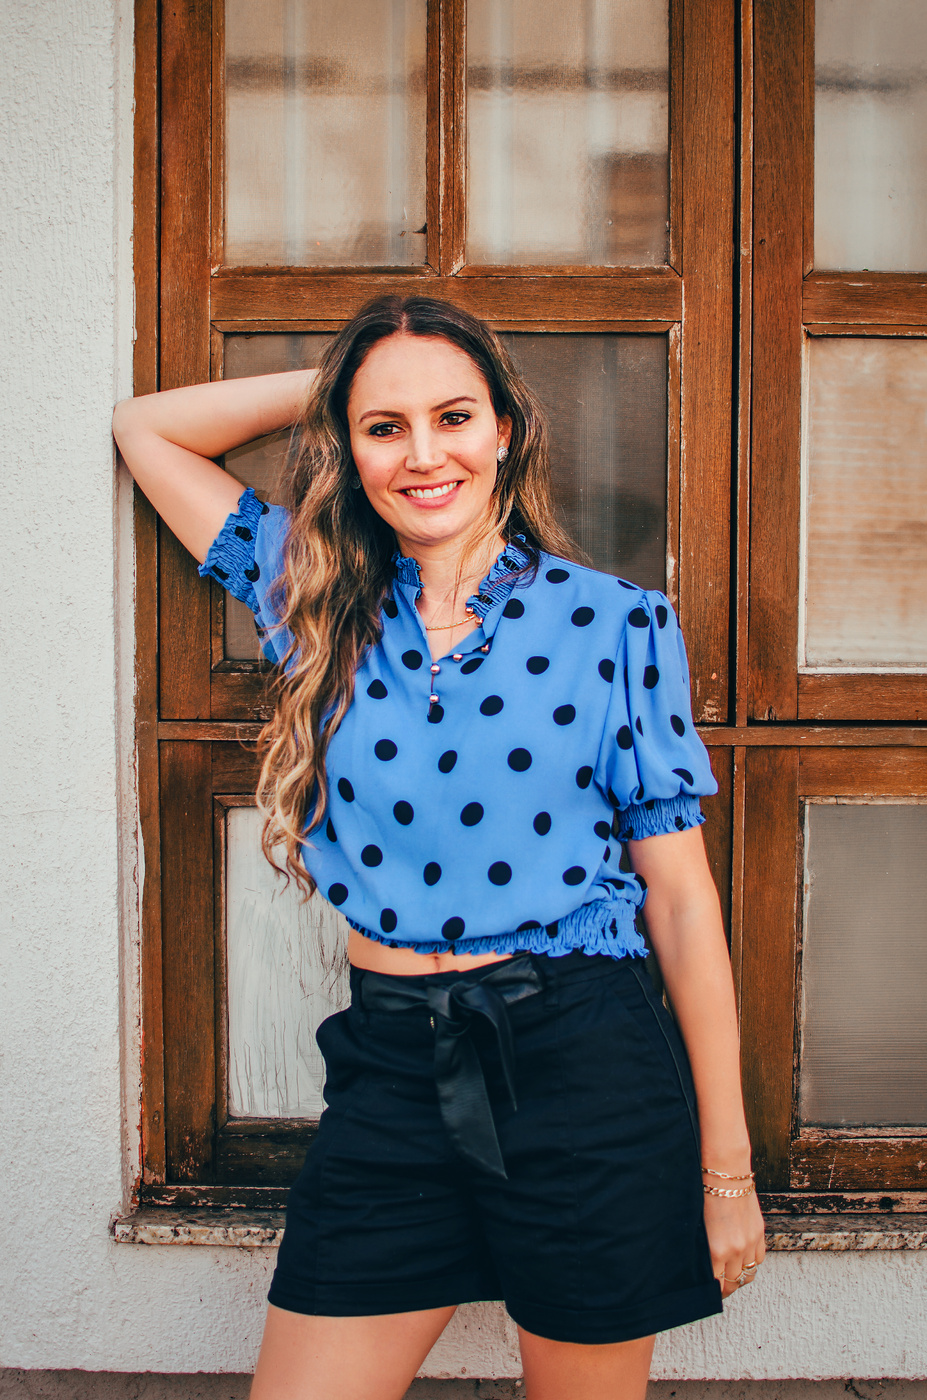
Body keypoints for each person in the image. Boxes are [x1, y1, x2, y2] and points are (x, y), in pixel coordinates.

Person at [113, 295, 765, 1400]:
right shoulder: (310, 592)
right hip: (390, 1069)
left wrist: (727, 1170)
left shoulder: (617, 623)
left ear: (505, 428)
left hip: (583, 1063)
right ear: (350, 445)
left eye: (454, 416)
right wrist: (336, 380)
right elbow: (146, 429)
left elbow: (681, 901)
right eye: (385, 426)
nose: (424, 454)